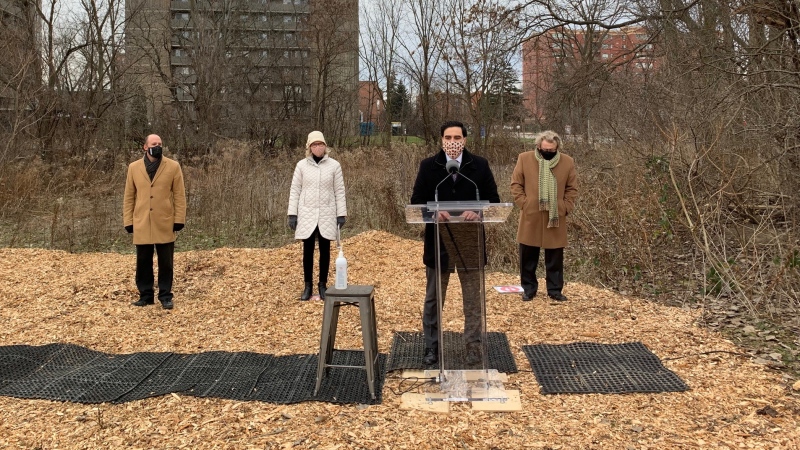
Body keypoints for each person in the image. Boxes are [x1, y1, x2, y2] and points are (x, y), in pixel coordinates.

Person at [410, 120, 501, 366]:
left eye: (457, 138)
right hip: (439, 242)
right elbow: (417, 201)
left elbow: (493, 200)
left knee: (472, 300)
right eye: (448, 138)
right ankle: (431, 347)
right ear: (441, 140)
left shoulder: (479, 166)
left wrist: (478, 212)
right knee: (433, 299)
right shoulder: (429, 166)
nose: (452, 142)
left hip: (469, 242)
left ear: (465, 140)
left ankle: (473, 347)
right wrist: (433, 214)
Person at [510, 130, 578, 302]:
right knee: (527, 256)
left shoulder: (567, 162)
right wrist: (525, 204)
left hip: (555, 215)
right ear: (538, 146)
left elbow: (572, 188)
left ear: (557, 148)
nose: (548, 153)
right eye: (545, 149)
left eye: (551, 150)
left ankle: (555, 290)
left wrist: (565, 207)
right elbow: (516, 184)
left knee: (555, 256)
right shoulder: (524, 159)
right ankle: (528, 289)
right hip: (531, 215)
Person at [123, 134, 186, 310]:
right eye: (153, 144)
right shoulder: (134, 168)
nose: (157, 146)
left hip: (165, 221)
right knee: (143, 261)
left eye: (159, 144)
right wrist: (128, 220)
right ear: (145, 147)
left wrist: (179, 219)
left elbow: (180, 195)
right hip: (141, 221)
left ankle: (165, 296)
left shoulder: (173, 166)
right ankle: (146, 295)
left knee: (166, 262)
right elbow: (129, 196)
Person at [287, 131, 347, 301]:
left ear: (325, 146)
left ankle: (322, 284)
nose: (318, 147)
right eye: (314, 145)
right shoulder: (301, 166)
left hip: (327, 212)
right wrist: (292, 213)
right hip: (307, 212)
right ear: (309, 147)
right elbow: (295, 189)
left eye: (321, 144)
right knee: (307, 250)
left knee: (325, 250)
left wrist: (341, 214)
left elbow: (339, 190)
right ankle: (308, 286)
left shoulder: (334, 166)